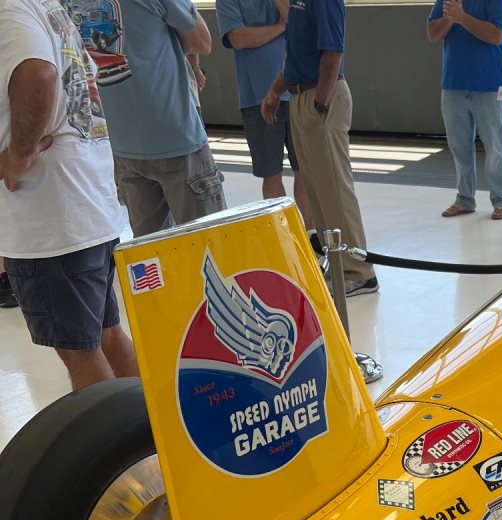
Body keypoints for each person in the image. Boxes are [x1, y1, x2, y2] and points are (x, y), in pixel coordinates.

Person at [0, 0, 137, 389]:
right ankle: (153, 440)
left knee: (81, 351)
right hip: (84, 205)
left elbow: (39, 73)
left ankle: (117, 450)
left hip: (52, 220)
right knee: (106, 335)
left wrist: (19, 154)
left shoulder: (7, 11)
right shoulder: (43, 7)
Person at [261, 0, 378, 296]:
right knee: (317, 189)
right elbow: (297, 55)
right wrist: (276, 90)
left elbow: (333, 50)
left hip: (321, 96)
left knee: (335, 189)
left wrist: (322, 103)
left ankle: (359, 272)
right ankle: (337, 264)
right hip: (300, 96)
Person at [82, 0, 227, 237]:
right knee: (211, 246)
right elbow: (201, 42)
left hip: (122, 139)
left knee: (153, 255)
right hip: (174, 134)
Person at [215, 0, 314, 226]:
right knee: (271, 173)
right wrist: (279, 28)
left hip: (297, 91)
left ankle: (312, 237)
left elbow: (297, 23)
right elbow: (239, 39)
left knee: (305, 172)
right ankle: (283, 238)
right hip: (256, 97)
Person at [427, 0, 502, 221]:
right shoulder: (447, 1)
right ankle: (465, 199)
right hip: (453, 85)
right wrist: (451, 16)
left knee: (495, 146)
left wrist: (462, 17)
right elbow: (432, 33)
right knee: (459, 147)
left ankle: (501, 200)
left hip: (488, 86)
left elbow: (496, 36)